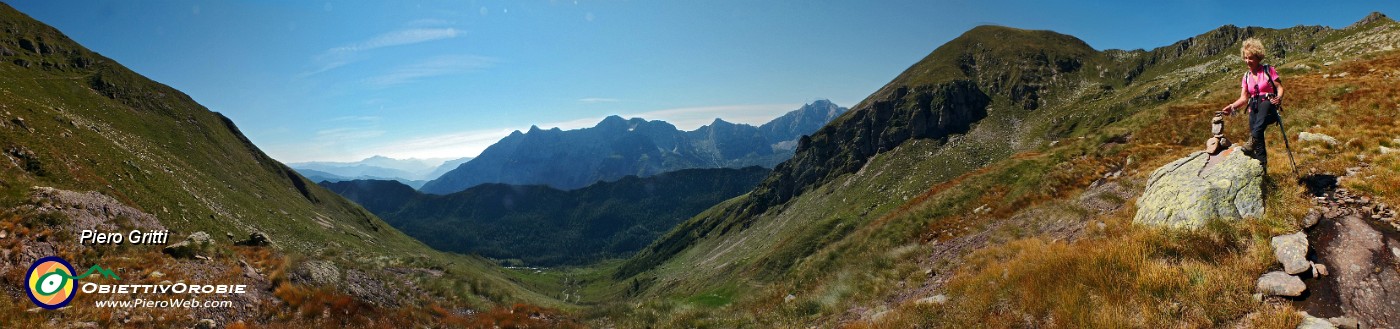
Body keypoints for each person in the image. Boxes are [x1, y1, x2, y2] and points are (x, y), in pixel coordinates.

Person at [1221, 38, 1284, 173]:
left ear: (1258, 57)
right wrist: (1232, 106)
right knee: (1258, 141)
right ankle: (1263, 171)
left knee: (1264, 107)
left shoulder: (1268, 70)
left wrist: (1278, 98)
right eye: (1245, 58)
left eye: (1250, 58)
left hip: (1269, 106)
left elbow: (1280, 87)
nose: (1247, 61)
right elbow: (1244, 98)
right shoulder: (1246, 76)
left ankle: (1252, 141)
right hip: (1253, 109)